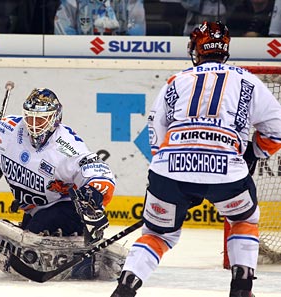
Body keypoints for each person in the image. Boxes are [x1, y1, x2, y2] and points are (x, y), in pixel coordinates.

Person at [110, 21, 281, 297]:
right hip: (227, 171)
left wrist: (179, 174)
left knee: (156, 235)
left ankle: (124, 290)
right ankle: (241, 290)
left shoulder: (176, 81)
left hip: (170, 170)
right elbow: (277, 129)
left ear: (195, 49)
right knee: (243, 221)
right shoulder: (247, 80)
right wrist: (252, 153)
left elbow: (156, 131)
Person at [0, 88, 127, 280]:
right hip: (38, 207)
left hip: (65, 208)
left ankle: (76, 250)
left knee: (39, 226)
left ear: (55, 118)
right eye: (30, 117)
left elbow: (99, 173)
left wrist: (93, 194)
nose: (34, 125)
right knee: (30, 229)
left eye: (41, 119)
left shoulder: (67, 146)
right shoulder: (8, 128)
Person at [54, 0, 146, 35]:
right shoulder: (71, 2)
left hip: (120, 61)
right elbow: (64, 38)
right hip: (81, 61)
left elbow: (136, 37)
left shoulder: (131, 2)